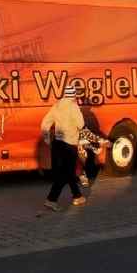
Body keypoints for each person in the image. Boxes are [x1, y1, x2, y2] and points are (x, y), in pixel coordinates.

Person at [38, 84, 85, 213]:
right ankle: (51, 200)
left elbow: (45, 123)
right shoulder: (73, 107)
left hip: (57, 144)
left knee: (68, 173)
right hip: (69, 144)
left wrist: (47, 139)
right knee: (65, 174)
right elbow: (81, 124)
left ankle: (78, 196)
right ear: (73, 95)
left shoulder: (56, 105)